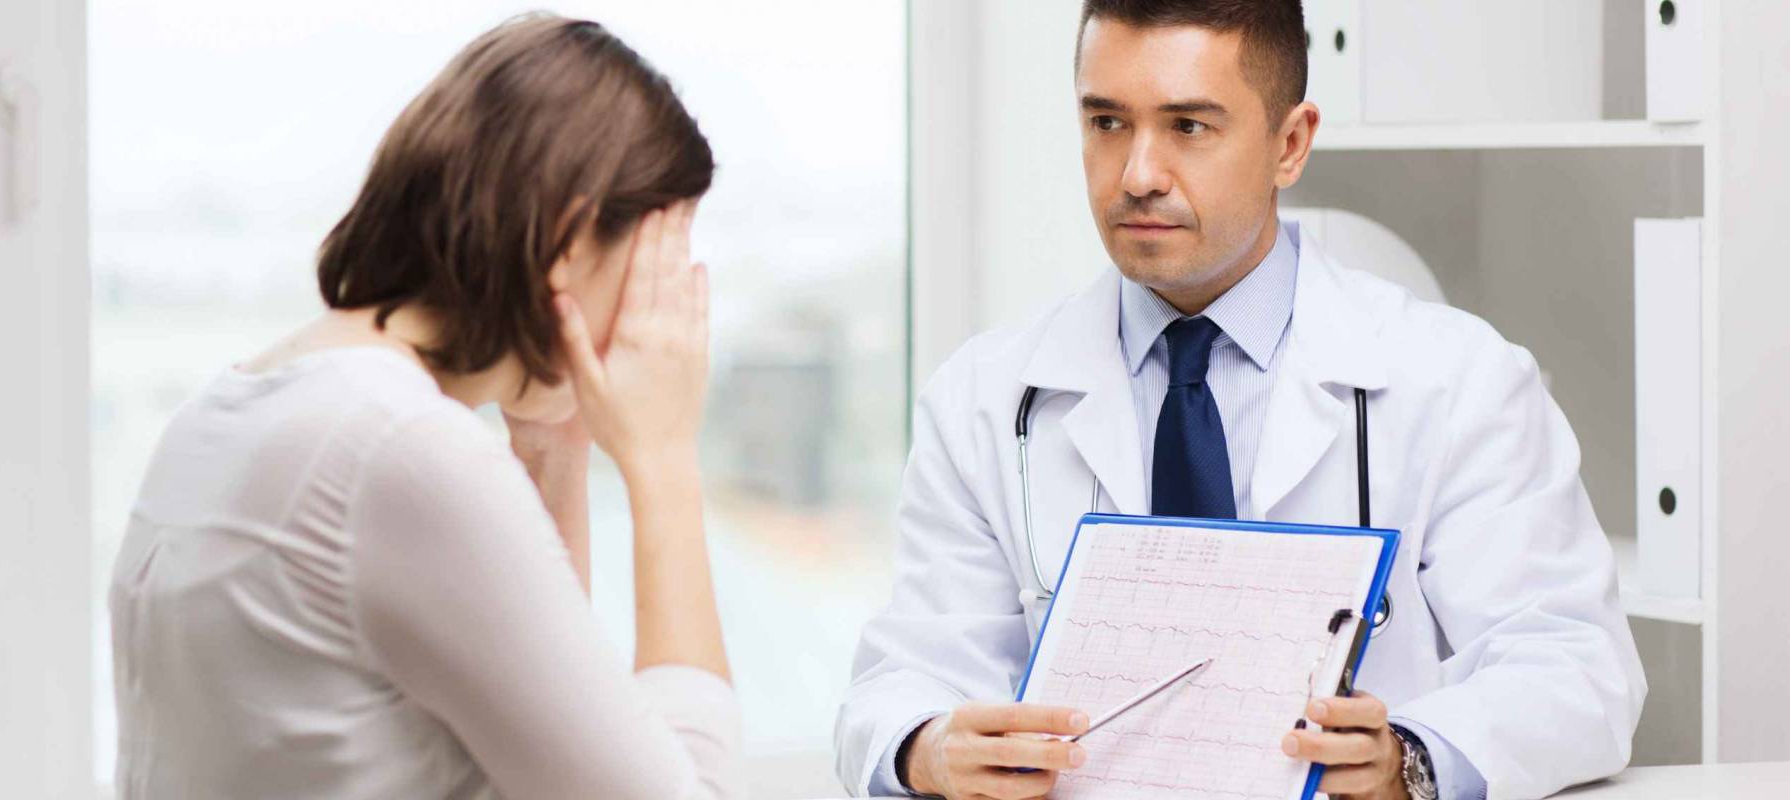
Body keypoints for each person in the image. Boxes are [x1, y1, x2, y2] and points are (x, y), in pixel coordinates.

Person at [836, 2, 1645, 799]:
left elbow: (1573, 666)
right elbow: (903, 678)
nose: (1137, 175)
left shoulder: (1459, 379)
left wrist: (1406, 756)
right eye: (1107, 122)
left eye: (1188, 126)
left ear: (1289, 144)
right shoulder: (984, 397)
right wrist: (930, 748)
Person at [108, 15, 738, 799]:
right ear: (572, 240)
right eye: (653, 267)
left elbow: (541, 746)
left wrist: (554, 444)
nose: (660, 317)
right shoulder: (398, 447)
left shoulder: (230, 411)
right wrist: (666, 463)